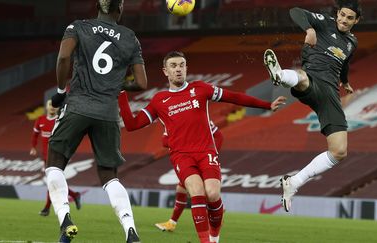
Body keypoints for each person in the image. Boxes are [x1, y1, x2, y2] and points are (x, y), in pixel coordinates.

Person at [119, 51, 286, 243]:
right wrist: (121, 94)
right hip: (181, 156)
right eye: (173, 66)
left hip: (206, 151)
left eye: (181, 65)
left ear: (186, 68)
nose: (178, 69)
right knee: (197, 192)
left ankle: (215, 236)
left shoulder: (200, 89)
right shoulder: (159, 100)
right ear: (165, 71)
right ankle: (205, 241)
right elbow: (132, 125)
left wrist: (267, 105)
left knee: (213, 194)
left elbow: (234, 97)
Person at [46, 0, 147, 242]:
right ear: (119, 9)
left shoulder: (78, 27)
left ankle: (65, 220)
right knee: (109, 175)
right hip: (108, 112)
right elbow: (142, 83)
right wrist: (117, 84)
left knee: (54, 163)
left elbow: (63, 58)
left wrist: (60, 91)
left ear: (97, 7)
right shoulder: (130, 37)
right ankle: (130, 230)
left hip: (78, 105)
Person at [263, 0, 361, 212]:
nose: (344, 20)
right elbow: (295, 11)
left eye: (349, 17)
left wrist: (345, 81)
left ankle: (294, 182)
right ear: (338, 13)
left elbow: (344, 62)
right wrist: (309, 29)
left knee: (339, 151)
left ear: (356, 20)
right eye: (342, 15)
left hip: (330, 94)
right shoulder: (324, 22)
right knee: (303, 78)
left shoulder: (352, 41)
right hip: (314, 78)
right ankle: (279, 75)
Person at [155, 121, 223, 232]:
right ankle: (172, 222)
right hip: (188, 158)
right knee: (182, 189)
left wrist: (212, 155)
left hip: (202, 158)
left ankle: (214, 216)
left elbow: (219, 136)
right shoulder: (177, 120)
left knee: (200, 191)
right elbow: (164, 141)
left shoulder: (203, 119)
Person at [30, 100, 81, 217]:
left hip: (57, 156)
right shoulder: (40, 120)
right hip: (45, 157)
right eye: (50, 105)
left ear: (58, 108)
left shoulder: (59, 120)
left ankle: (46, 208)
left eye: (55, 105)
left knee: (52, 182)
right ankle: (74, 195)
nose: (52, 107)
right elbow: (35, 134)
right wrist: (33, 147)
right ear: (46, 107)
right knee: (54, 182)